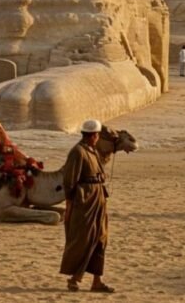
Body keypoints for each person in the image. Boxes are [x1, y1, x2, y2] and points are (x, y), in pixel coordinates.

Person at [60, 119, 114, 293]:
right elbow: (70, 181)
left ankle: (97, 281)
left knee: (100, 239)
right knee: (84, 240)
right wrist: (70, 203)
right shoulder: (77, 152)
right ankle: (75, 278)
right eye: (97, 135)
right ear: (93, 136)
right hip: (84, 201)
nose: (97, 138)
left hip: (98, 199)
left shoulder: (93, 151)